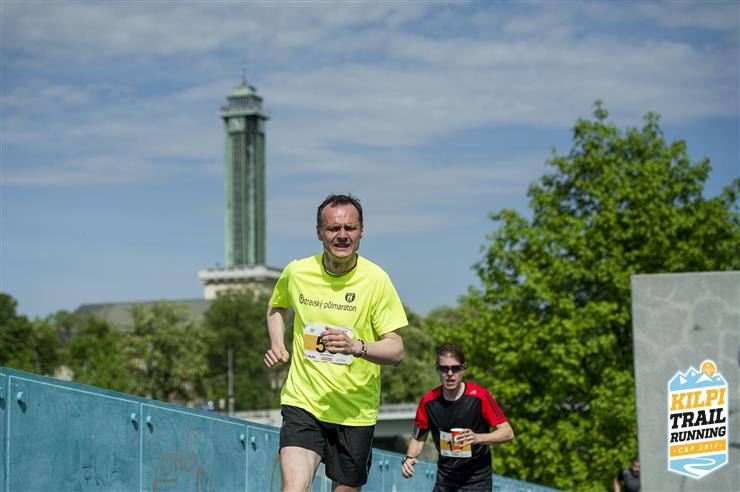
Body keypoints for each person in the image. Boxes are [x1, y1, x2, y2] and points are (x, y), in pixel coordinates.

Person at [264, 193, 408, 492]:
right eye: (333, 228)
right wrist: (278, 343)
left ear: (361, 232)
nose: (342, 235)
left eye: (350, 228)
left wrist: (357, 347)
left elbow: (396, 350)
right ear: (319, 232)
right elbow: (277, 306)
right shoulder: (297, 272)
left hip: (355, 412)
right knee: (294, 488)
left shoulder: (376, 280)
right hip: (304, 402)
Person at [401, 343, 514, 491]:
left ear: (463, 368)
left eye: (455, 368)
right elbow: (418, 439)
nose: (450, 373)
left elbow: (507, 433)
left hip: (477, 481)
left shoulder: (480, 396)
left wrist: (478, 438)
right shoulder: (428, 402)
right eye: (444, 369)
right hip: (445, 480)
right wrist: (409, 458)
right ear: (437, 369)